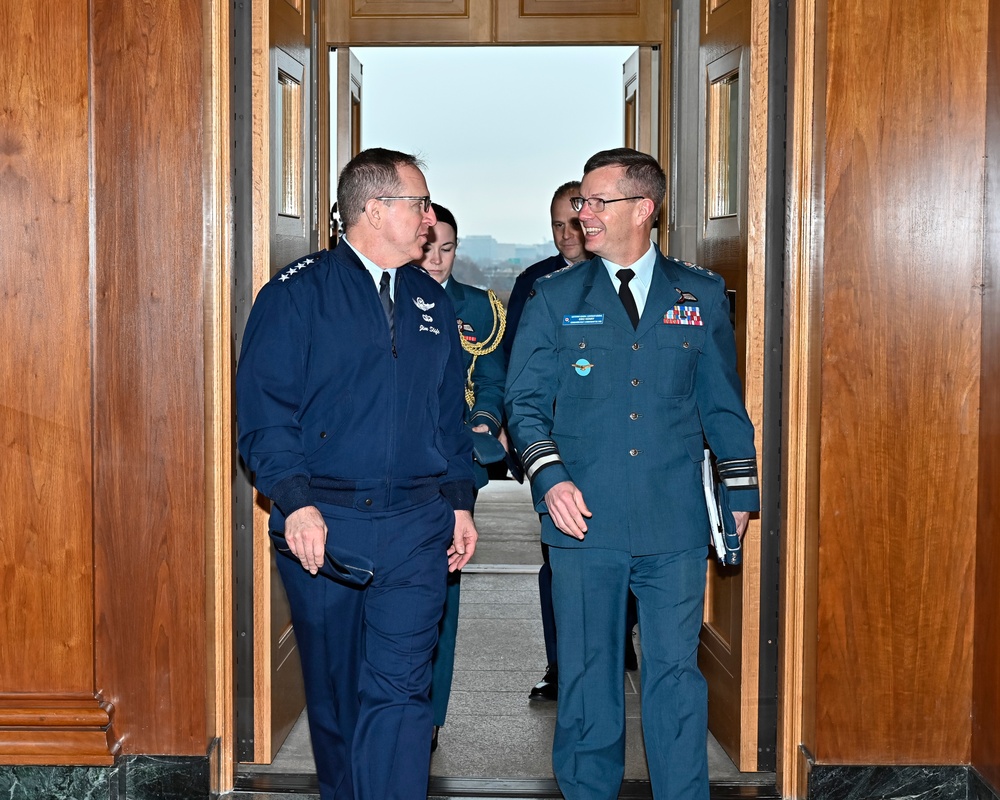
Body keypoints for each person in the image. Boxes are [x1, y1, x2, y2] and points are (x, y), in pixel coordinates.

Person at [505, 147, 759, 800]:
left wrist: (739, 489)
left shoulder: (697, 295)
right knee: (589, 678)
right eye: (579, 203)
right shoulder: (554, 297)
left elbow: (721, 402)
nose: (580, 213)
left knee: (675, 677)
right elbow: (524, 403)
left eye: (595, 202)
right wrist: (548, 476)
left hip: (673, 521)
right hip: (583, 521)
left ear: (643, 209)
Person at [236, 147, 478, 800]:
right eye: (419, 204)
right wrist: (296, 502)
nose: (429, 219)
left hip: (416, 528)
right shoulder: (295, 297)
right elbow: (264, 418)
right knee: (341, 699)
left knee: (402, 693)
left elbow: (448, 417)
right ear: (375, 209)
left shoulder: (431, 300)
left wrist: (460, 500)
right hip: (326, 528)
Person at [503, 182, 638, 703]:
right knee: (559, 559)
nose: (567, 234)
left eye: (574, 221)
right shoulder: (535, 284)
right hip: (552, 451)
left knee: (626, 550)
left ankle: (616, 637)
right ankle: (562, 662)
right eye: (556, 224)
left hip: (616, 443)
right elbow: (519, 367)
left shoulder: (634, 281)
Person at [420, 203, 506, 751]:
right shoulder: (386, 298)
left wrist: (484, 422)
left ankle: (428, 714)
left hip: (459, 463)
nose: (436, 259)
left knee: (442, 590)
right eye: (429, 247)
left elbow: (493, 383)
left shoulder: (482, 308)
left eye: (447, 249)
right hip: (398, 462)